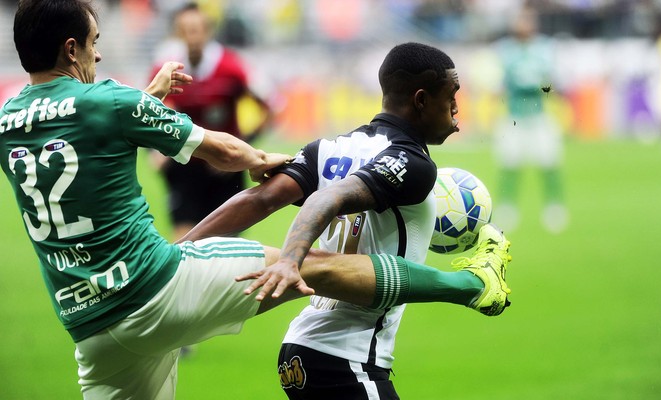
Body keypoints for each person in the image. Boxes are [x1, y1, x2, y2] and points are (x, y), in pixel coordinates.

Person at [0, 2, 514, 399]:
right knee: (317, 266)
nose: (100, 54)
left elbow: (76, 133)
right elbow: (221, 151)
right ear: (71, 49)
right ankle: (473, 283)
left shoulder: (7, 120)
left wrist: (146, 101)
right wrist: (255, 156)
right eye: (94, 41)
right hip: (152, 286)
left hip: (90, 326)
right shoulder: (110, 97)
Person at [181, 42, 506, 399]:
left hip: (303, 351)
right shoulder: (413, 164)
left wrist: (181, 250)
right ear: (421, 100)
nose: (457, 108)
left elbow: (259, 198)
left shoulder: (328, 148)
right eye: (451, 96)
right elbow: (327, 198)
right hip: (347, 358)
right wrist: (289, 261)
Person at [150, 2, 272, 240]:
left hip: (224, 171)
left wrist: (240, 147)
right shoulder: (166, 68)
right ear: (177, 33)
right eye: (185, 30)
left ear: (208, 31)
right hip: (185, 167)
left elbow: (272, 106)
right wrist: (156, 149)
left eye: (196, 29)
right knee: (184, 245)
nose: (191, 36)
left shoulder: (231, 66)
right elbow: (148, 107)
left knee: (228, 249)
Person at [492, 6, 569, 234]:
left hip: (539, 115)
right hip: (514, 116)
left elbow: (551, 82)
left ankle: (554, 207)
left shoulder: (545, 48)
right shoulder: (505, 50)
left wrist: (542, 88)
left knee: (549, 162)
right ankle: (507, 208)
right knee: (509, 164)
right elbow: (502, 83)